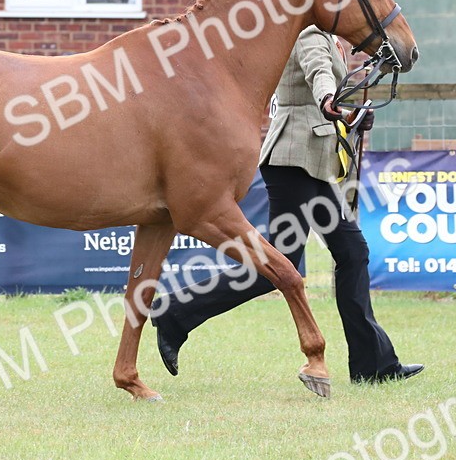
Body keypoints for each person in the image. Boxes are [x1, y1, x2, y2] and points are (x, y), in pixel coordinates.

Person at [151, 26, 423, 384]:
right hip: (292, 161)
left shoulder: (332, 38)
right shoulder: (310, 34)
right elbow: (318, 73)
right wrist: (331, 101)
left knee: (351, 252)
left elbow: (328, 90)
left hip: (313, 164)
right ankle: (175, 312)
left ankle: (373, 364)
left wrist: (352, 115)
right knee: (278, 267)